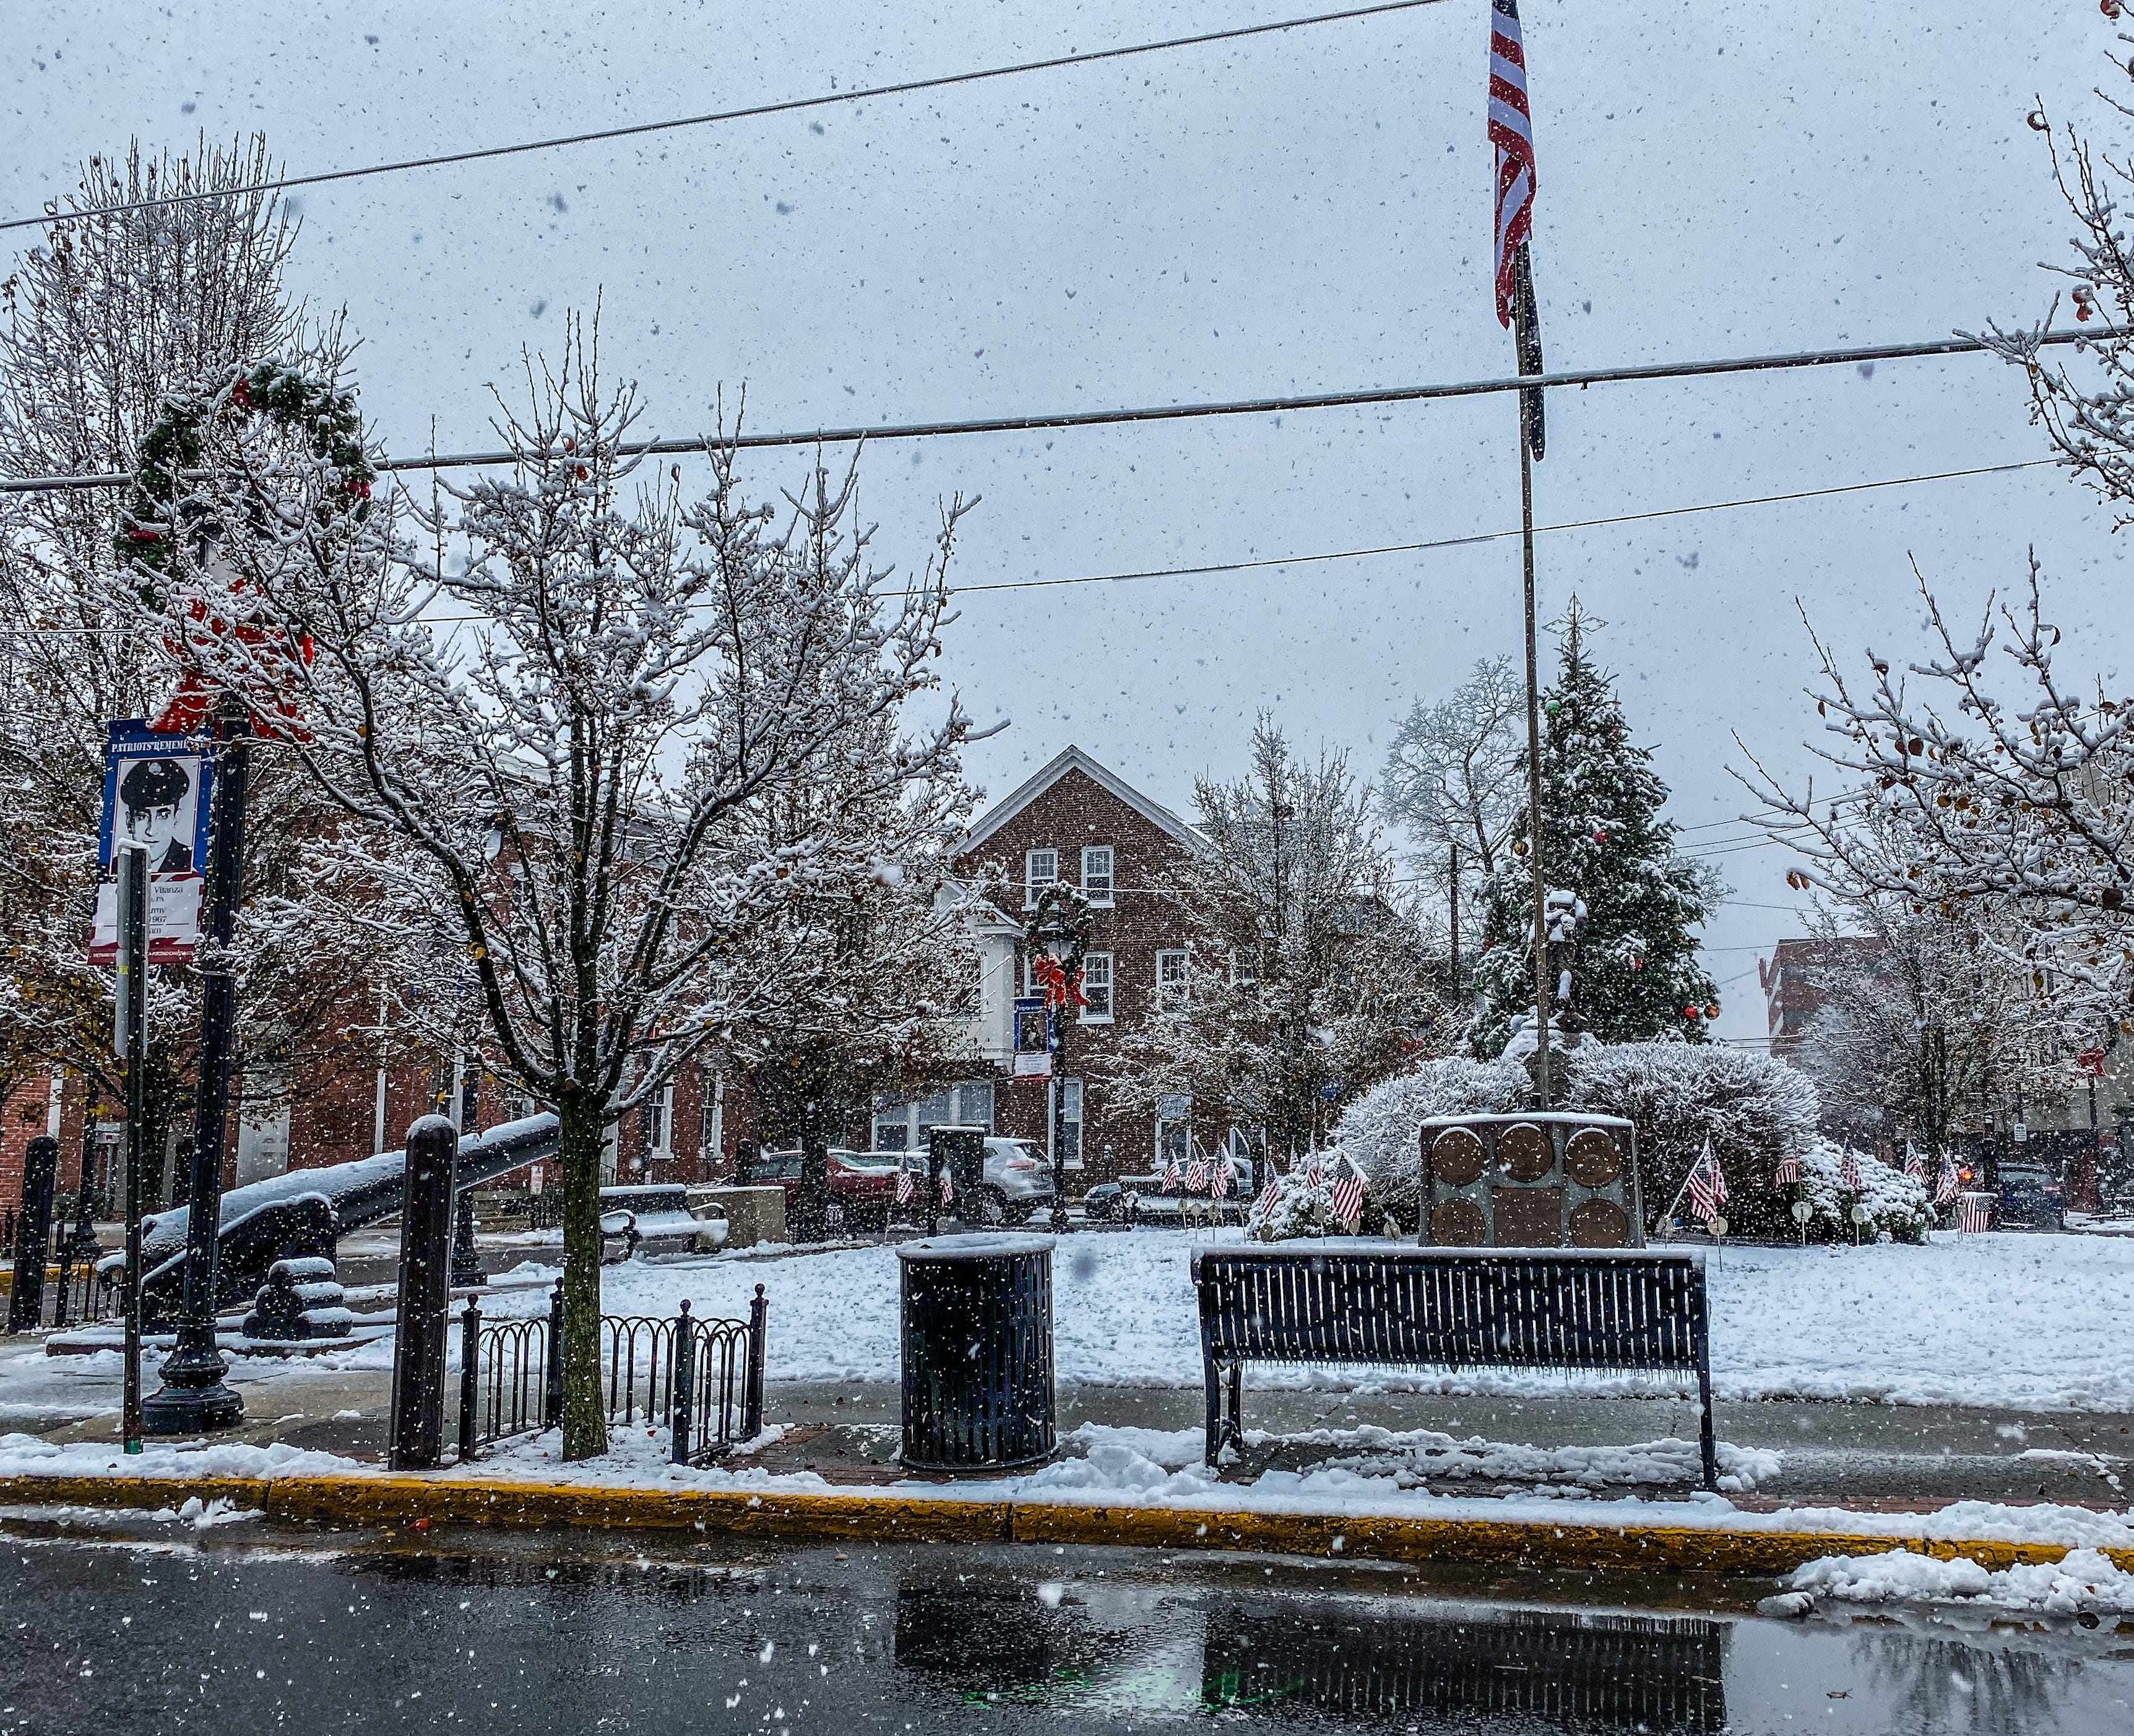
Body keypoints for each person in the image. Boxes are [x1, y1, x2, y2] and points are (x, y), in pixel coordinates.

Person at [119, 756, 194, 873]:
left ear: (176, 819)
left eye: (163, 816)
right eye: (142, 817)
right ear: (129, 822)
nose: (152, 831)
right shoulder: (118, 867)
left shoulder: (190, 865)